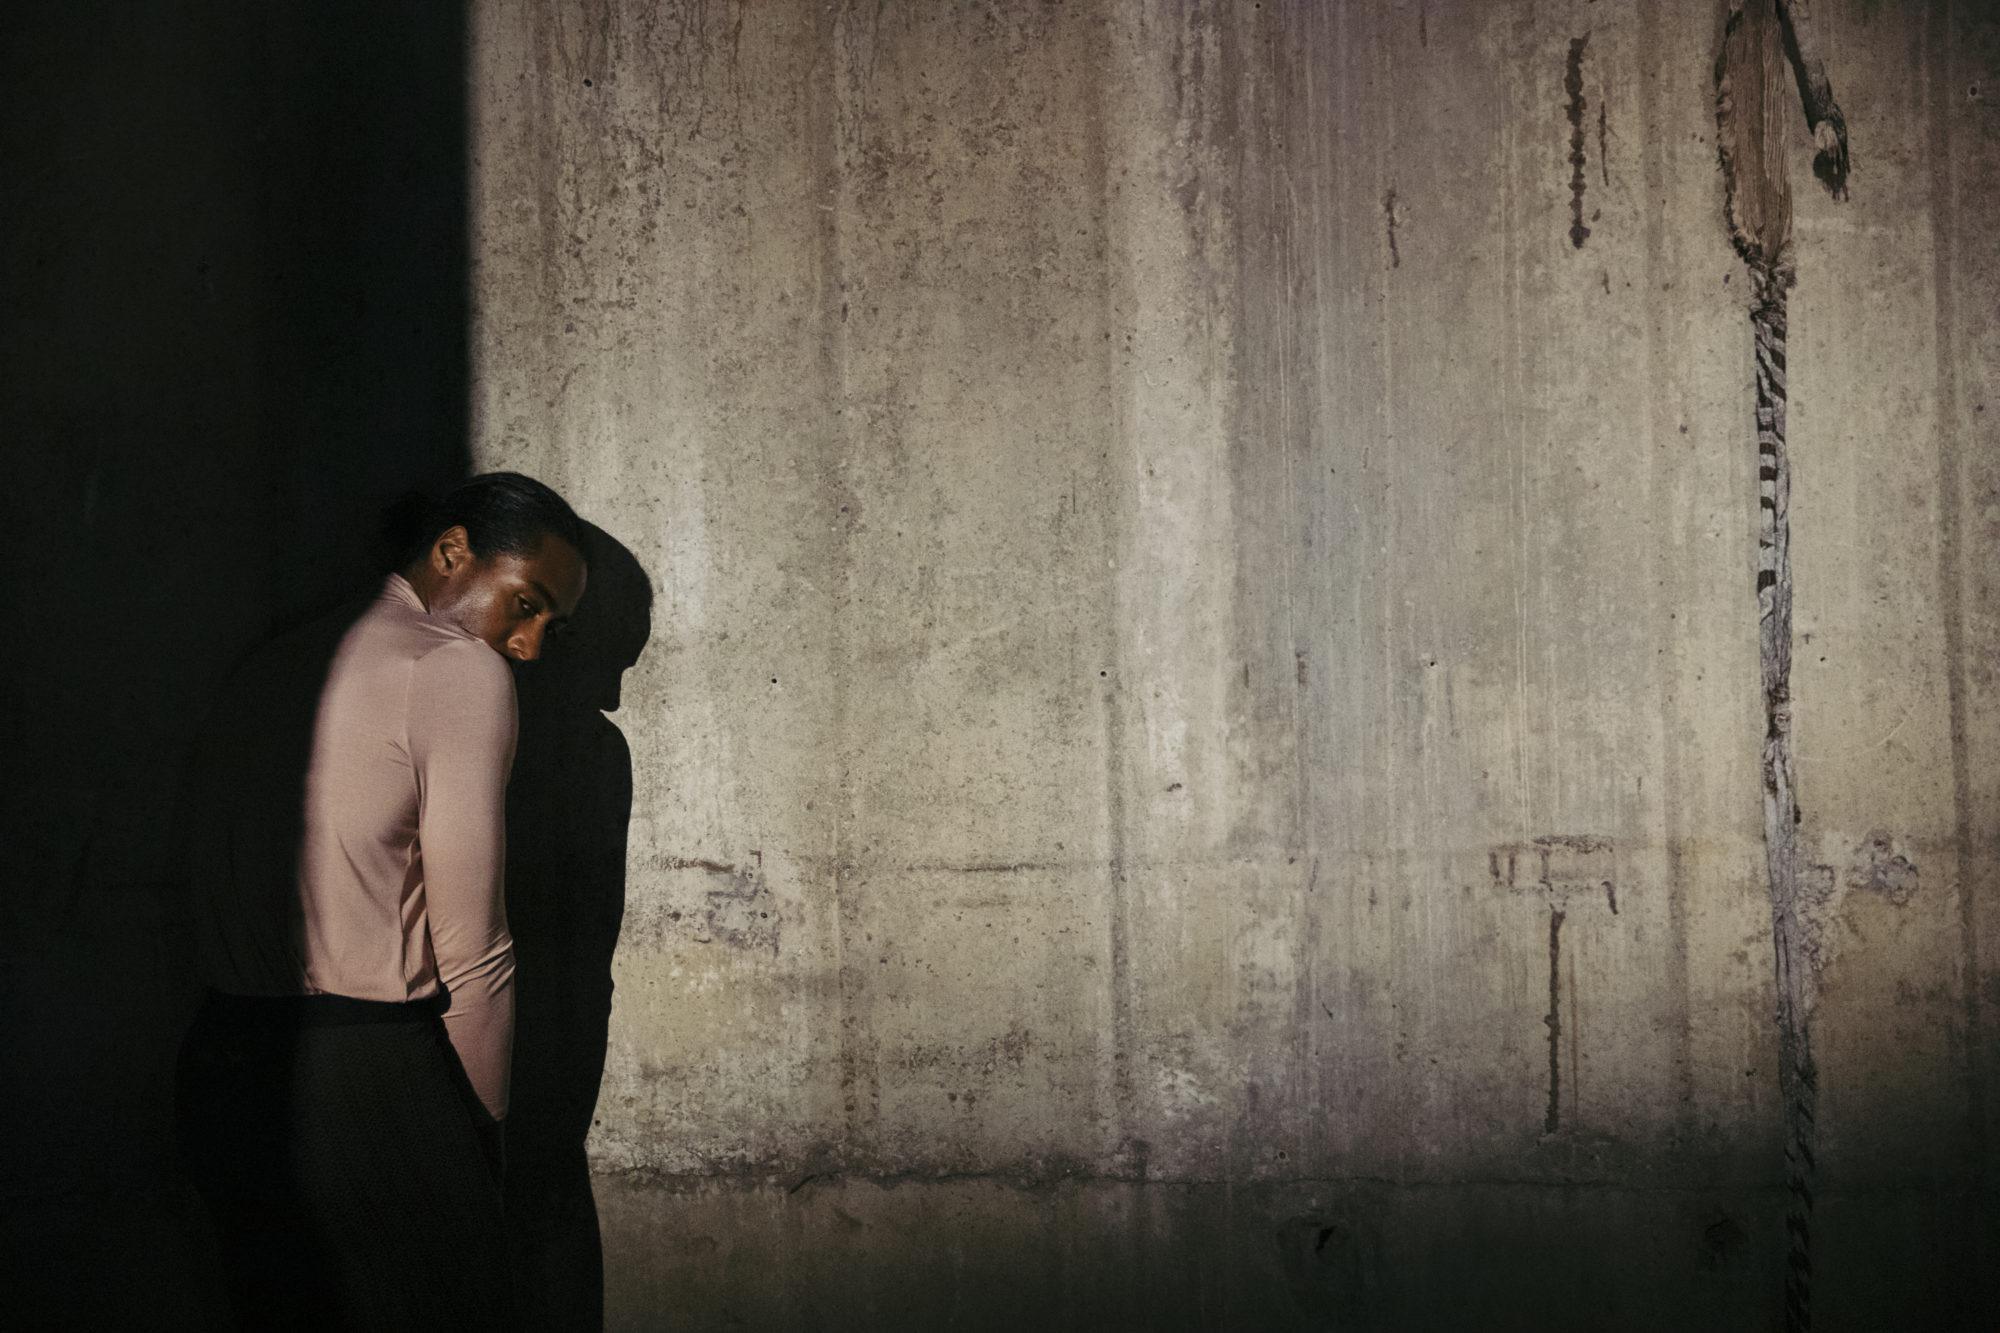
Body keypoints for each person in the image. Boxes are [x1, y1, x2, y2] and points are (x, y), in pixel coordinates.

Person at [175, 473, 589, 1330]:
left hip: (221, 1069)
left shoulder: (271, 660)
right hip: (364, 1076)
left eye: (552, 625)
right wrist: (482, 1140)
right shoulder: (452, 666)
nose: (530, 645)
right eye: (526, 603)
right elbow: (475, 949)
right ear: (451, 552)